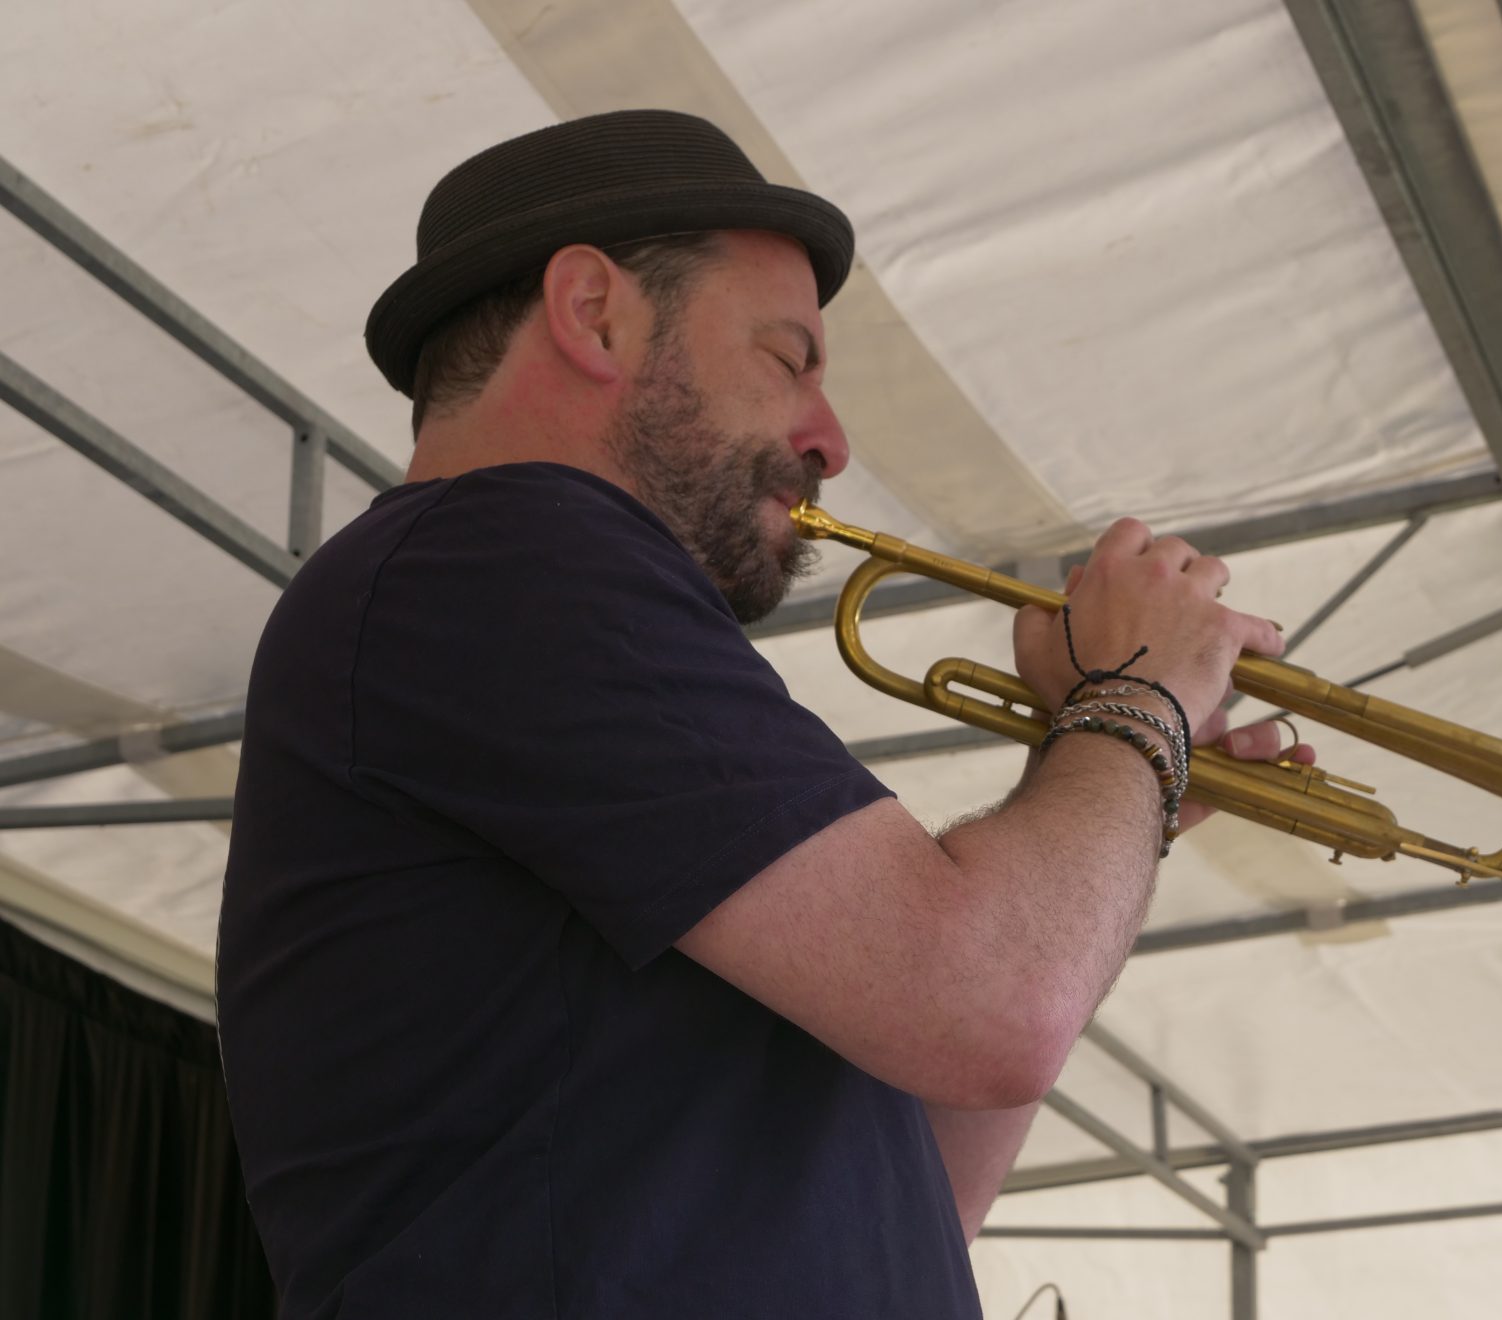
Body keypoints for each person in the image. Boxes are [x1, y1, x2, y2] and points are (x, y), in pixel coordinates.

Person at [217, 109, 1305, 1318]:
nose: (830, 442)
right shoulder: (498, 555)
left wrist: (1118, 792)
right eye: (791, 361)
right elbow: (994, 1007)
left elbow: (924, 1195)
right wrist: (1135, 708)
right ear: (594, 314)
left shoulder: (514, 604)